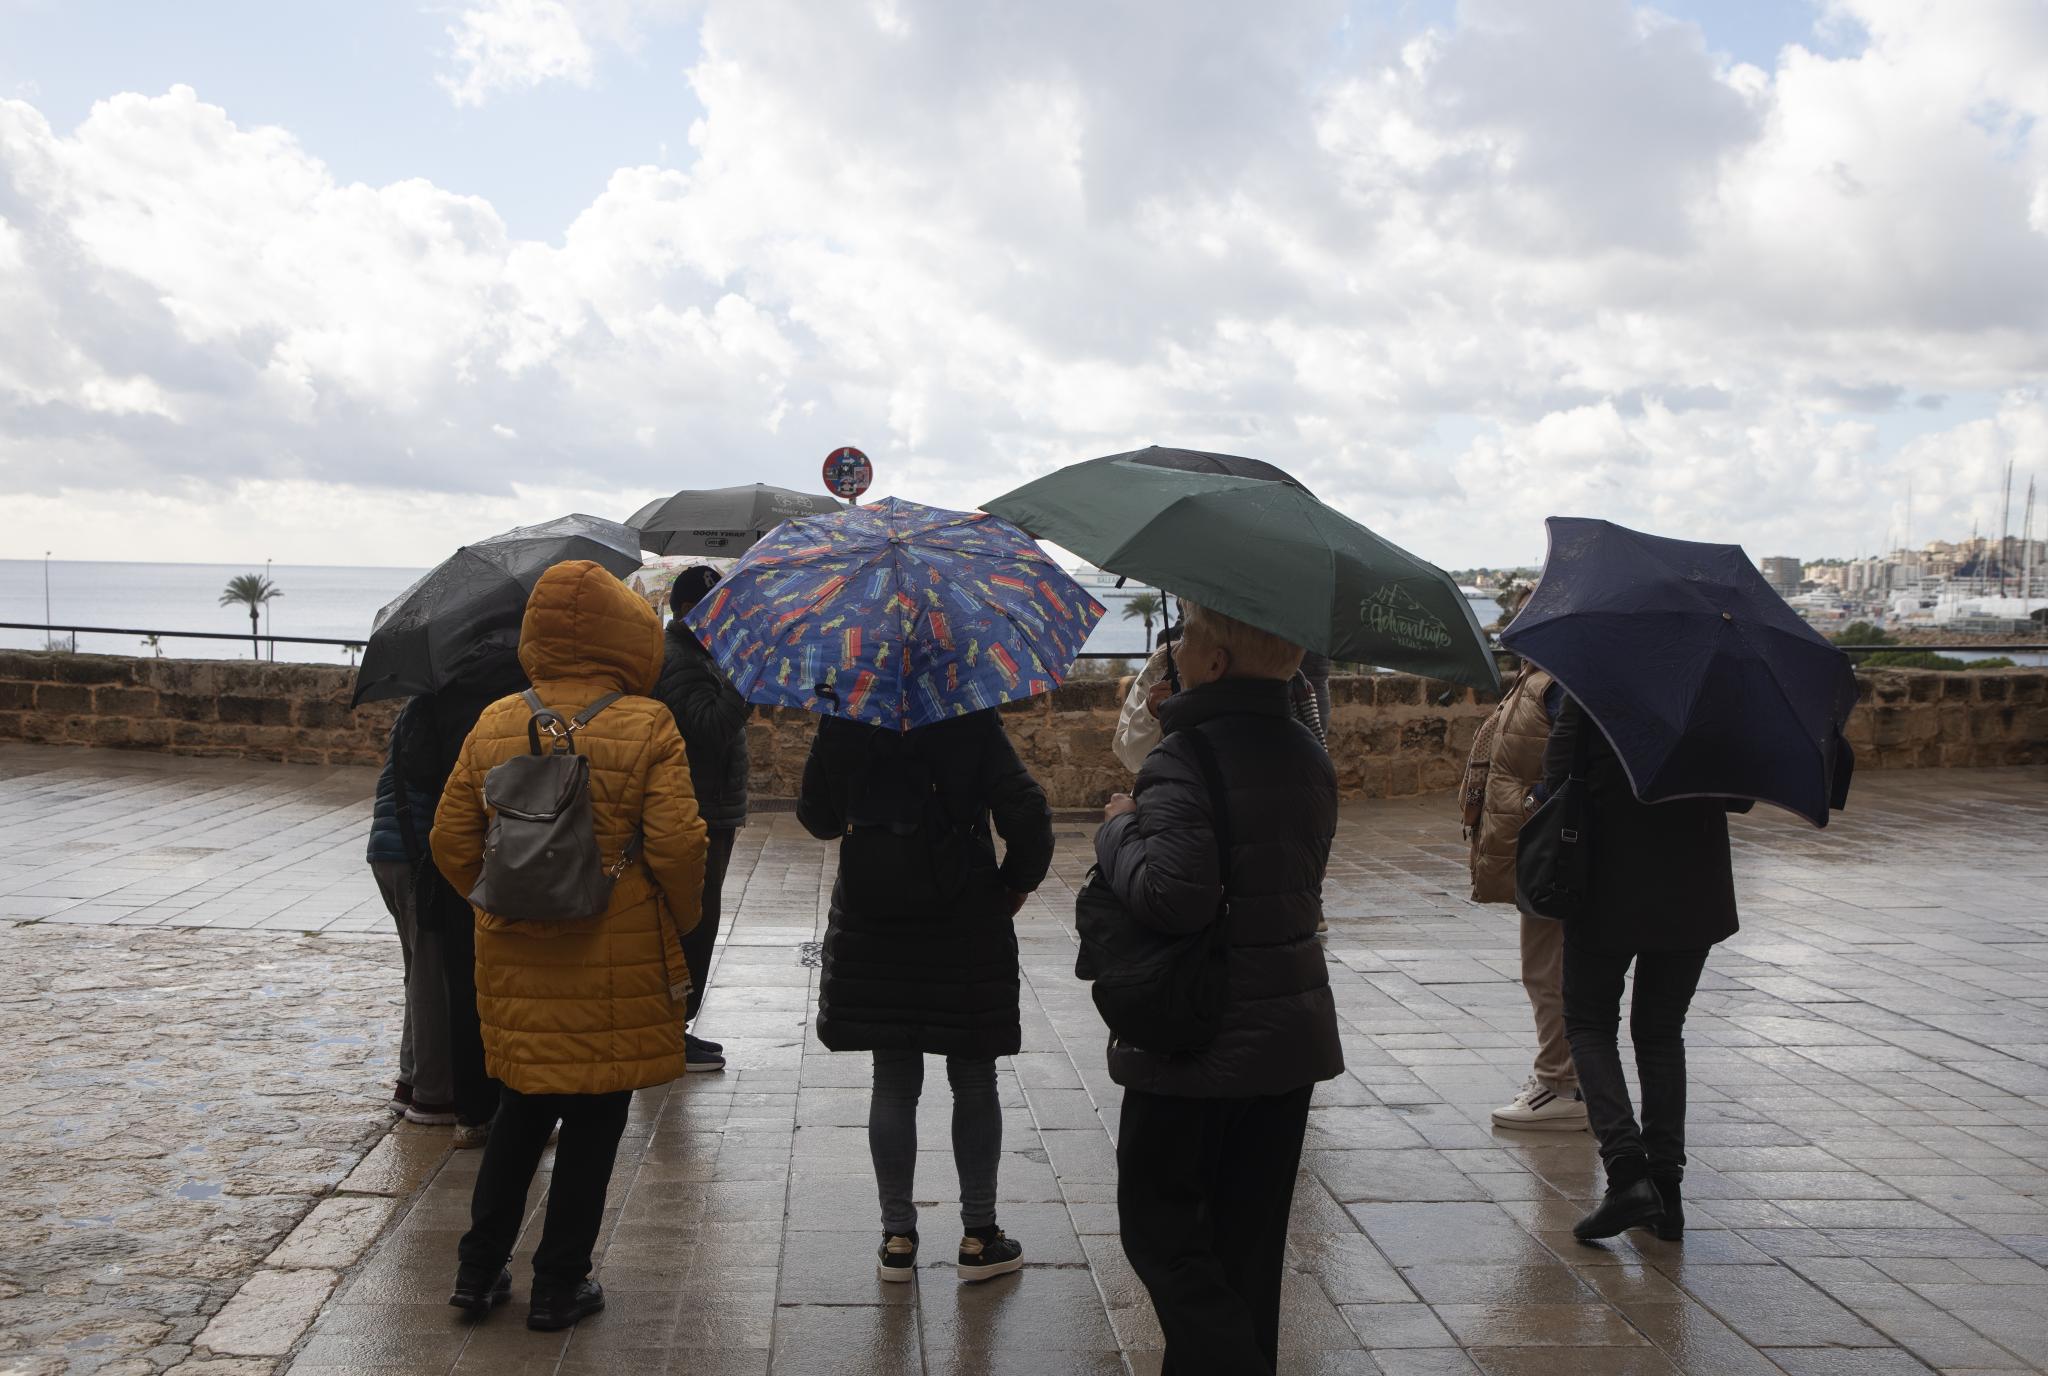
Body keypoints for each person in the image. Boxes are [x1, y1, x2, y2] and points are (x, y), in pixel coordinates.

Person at [431, 560, 708, 1330]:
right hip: (612, 949)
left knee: (523, 1108)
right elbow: (680, 846)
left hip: (515, 950)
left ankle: (478, 1271)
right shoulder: (648, 723)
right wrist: (672, 916)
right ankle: (558, 1284)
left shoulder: (492, 722)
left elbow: (451, 840)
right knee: (595, 1118)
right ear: (627, 633)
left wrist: (500, 901)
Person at [1095, 601, 1343, 1374]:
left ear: (1216, 663)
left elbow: (1174, 897)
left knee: (1159, 1227)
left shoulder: (1184, 758)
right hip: (1288, 1033)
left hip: (1201, 1033)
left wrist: (1119, 828)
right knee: (1248, 1249)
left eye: (1189, 640)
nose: (1177, 649)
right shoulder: (1308, 750)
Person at [796, 708, 1053, 1284]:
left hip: (874, 917)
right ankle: (979, 1236)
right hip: (962, 916)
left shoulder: (847, 719)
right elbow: (1027, 810)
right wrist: (1014, 884)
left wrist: (830, 739)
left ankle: (897, 1239)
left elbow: (818, 819)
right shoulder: (969, 719)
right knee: (973, 1074)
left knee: (891, 1077)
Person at [1542, 690, 1741, 1243]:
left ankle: (1627, 1173)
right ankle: (1666, 1193)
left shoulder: (1594, 685)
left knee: (1587, 1022)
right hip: (1692, 887)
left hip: (1606, 884)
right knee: (1659, 1032)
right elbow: (1739, 796)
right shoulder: (1714, 694)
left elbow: (1556, 774)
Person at [1463, 663, 1588, 1131]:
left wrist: (1535, 805)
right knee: (1549, 967)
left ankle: (1561, 1085)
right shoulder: (1539, 681)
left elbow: (1572, 764)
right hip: (1543, 844)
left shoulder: (1556, 686)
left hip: (1549, 849)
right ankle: (1572, 1079)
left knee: (1546, 969)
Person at [654, 565, 751, 1075]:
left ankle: (678, 1029)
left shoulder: (697, 654)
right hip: (698, 809)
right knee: (693, 921)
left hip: (710, 807)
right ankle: (671, 1032)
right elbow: (710, 730)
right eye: (717, 607)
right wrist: (744, 680)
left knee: (699, 919)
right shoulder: (680, 661)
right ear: (691, 610)